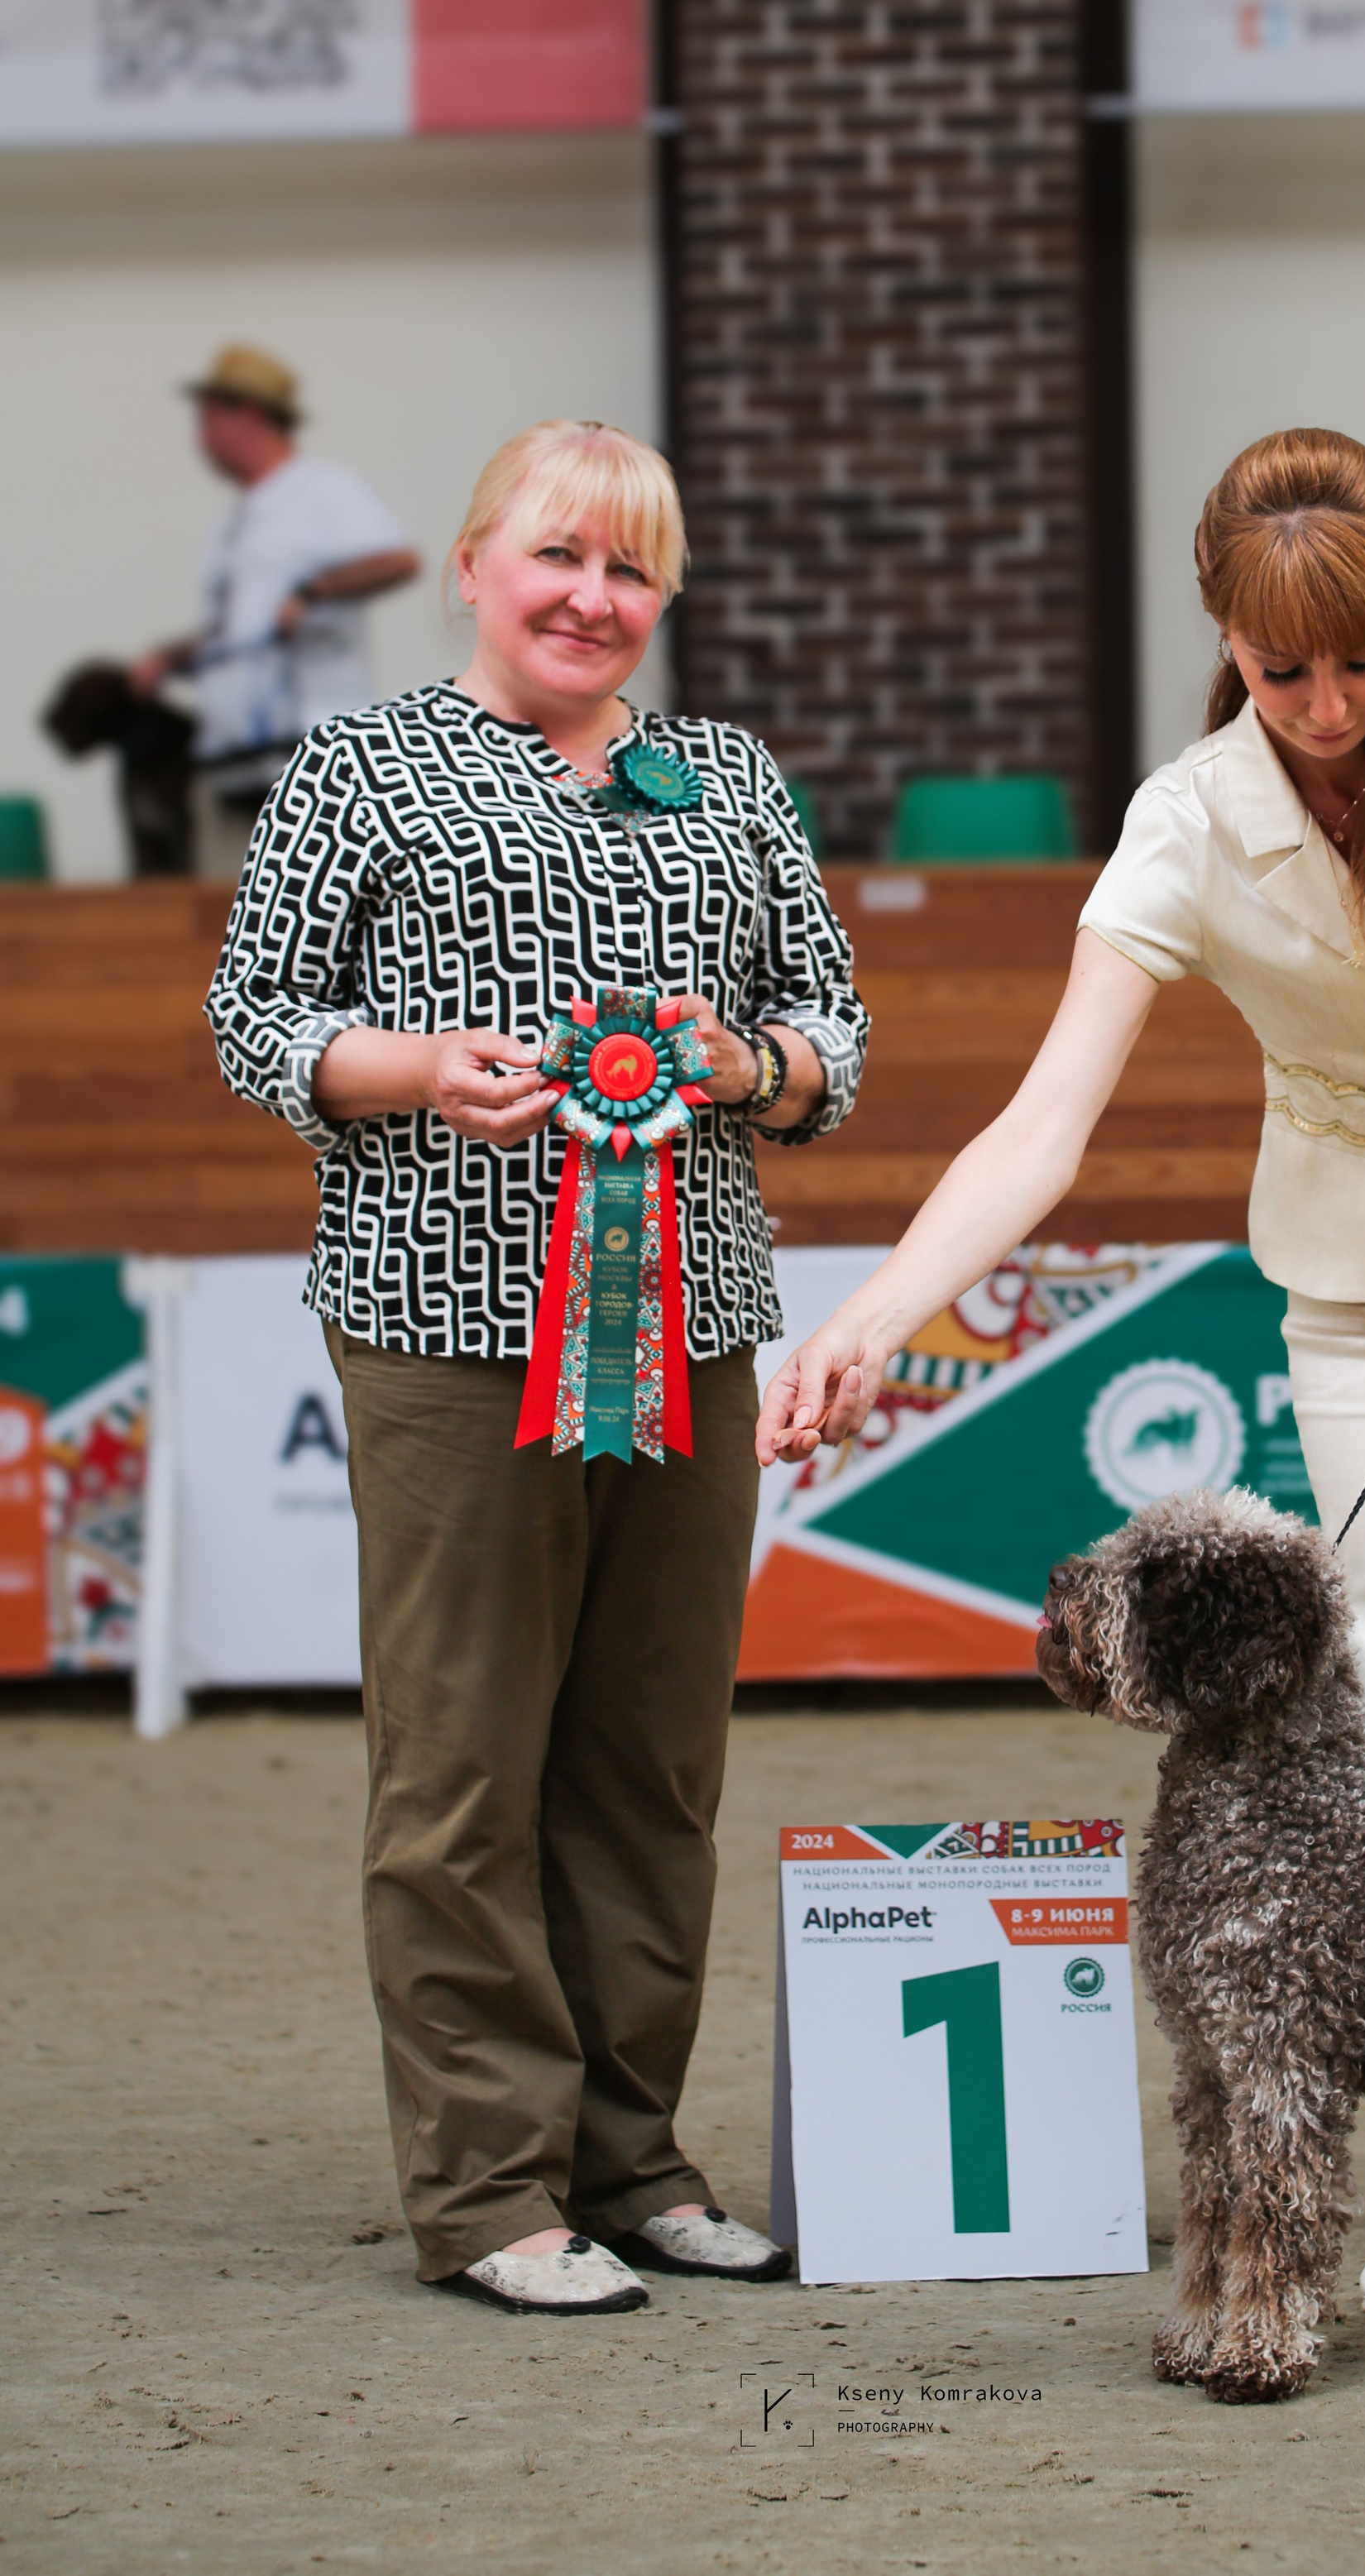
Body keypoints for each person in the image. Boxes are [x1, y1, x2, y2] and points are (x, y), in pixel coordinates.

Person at [757, 427, 1365, 2329]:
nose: (1320, 703)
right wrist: (875, 1311)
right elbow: (1042, 1122)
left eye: (1359, 660)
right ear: (1222, 631)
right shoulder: (1185, 825)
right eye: (1279, 665)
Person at [205, 419, 869, 2316]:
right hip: (442, 1323)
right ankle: (489, 2181)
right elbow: (255, 1016)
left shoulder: (729, 773)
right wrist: (412, 1065)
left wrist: (746, 1065)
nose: (597, 596)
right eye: (562, 555)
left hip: (691, 1316)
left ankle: (632, 2158)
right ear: (475, 563)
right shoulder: (355, 762)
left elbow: (829, 1014)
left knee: (651, 1763)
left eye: (634, 568)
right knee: (464, 1761)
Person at [132, 343, 420, 879]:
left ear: (246, 414)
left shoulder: (322, 492)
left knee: (310, 931)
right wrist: (170, 658)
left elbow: (397, 560)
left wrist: (311, 593)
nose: (199, 438)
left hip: (308, 759)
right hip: (233, 763)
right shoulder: (234, 522)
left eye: (207, 419)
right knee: (225, 930)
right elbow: (240, 631)